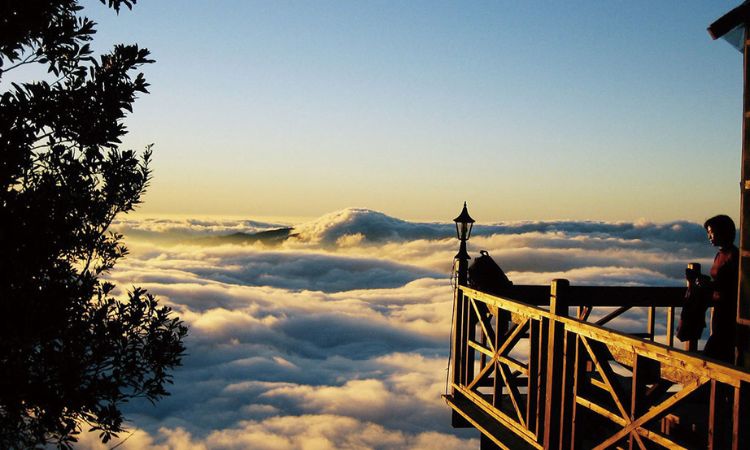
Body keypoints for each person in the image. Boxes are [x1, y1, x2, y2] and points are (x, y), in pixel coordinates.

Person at [696, 214, 739, 363]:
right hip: (719, 310)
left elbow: (734, 286)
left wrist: (710, 285)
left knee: (715, 354)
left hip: (729, 312)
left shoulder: (734, 256)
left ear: (723, 232)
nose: (709, 236)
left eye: (711, 232)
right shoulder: (719, 255)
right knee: (718, 352)